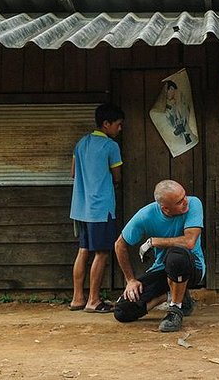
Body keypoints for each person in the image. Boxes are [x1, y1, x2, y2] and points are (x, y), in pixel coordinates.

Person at [113, 180, 205, 332]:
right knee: (123, 311)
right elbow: (119, 244)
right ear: (165, 208)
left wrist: (153, 242)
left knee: (176, 256)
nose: (185, 202)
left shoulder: (194, 203)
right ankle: (173, 295)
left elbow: (189, 242)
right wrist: (130, 280)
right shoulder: (146, 215)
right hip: (163, 269)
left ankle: (175, 310)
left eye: (184, 196)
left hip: (193, 267)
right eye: (179, 201)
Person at [69, 103, 124, 313]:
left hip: (81, 208)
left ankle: (77, 298)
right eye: (118, 125)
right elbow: (117, 176)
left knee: (83, 250)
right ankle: (93, 300)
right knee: (101, 253)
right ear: (106, 124)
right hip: (101, 208)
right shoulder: (111, 147)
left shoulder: (81, 144)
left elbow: (74, 173)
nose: (119, 129)